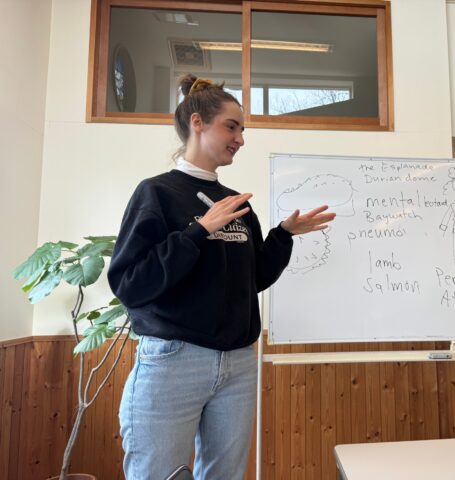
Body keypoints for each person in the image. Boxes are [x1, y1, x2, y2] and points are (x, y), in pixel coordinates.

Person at [108, 74, 335, 480]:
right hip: (174, 361)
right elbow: (131, 283)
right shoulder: (156, 194)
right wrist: (197, 232)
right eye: (232, 127)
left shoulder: (235, 203)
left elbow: (253, 279)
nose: (241, 139)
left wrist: (282, 235)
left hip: (238, 364)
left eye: (242, 130)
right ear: (198, 123)